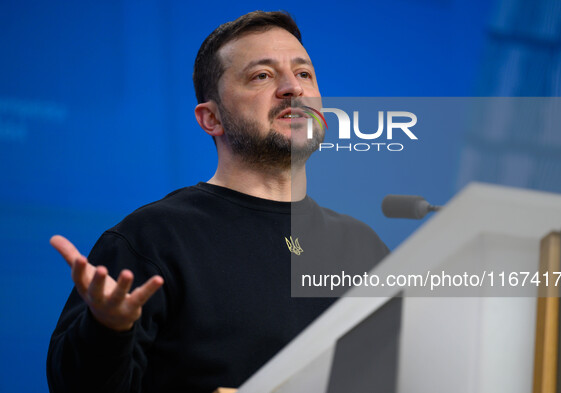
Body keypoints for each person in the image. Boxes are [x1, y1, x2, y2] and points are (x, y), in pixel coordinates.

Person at [47, 10, 389, 393]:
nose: (293, 88)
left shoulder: (365, 248)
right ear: (211, 119)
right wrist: (107, 329)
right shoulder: (151, 239)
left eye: (304, 73)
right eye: (262, 75)